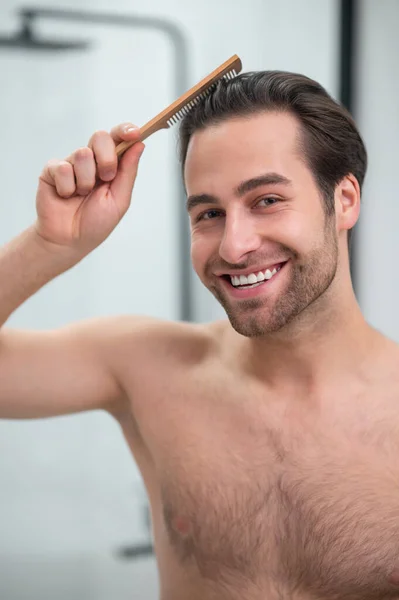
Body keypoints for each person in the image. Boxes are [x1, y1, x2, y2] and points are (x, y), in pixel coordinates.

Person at [1, 70, 399, 600]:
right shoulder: (149, 370)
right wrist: (49, 245)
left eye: (266, 201)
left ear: (344, 199)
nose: (234, 246)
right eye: (209, 213)